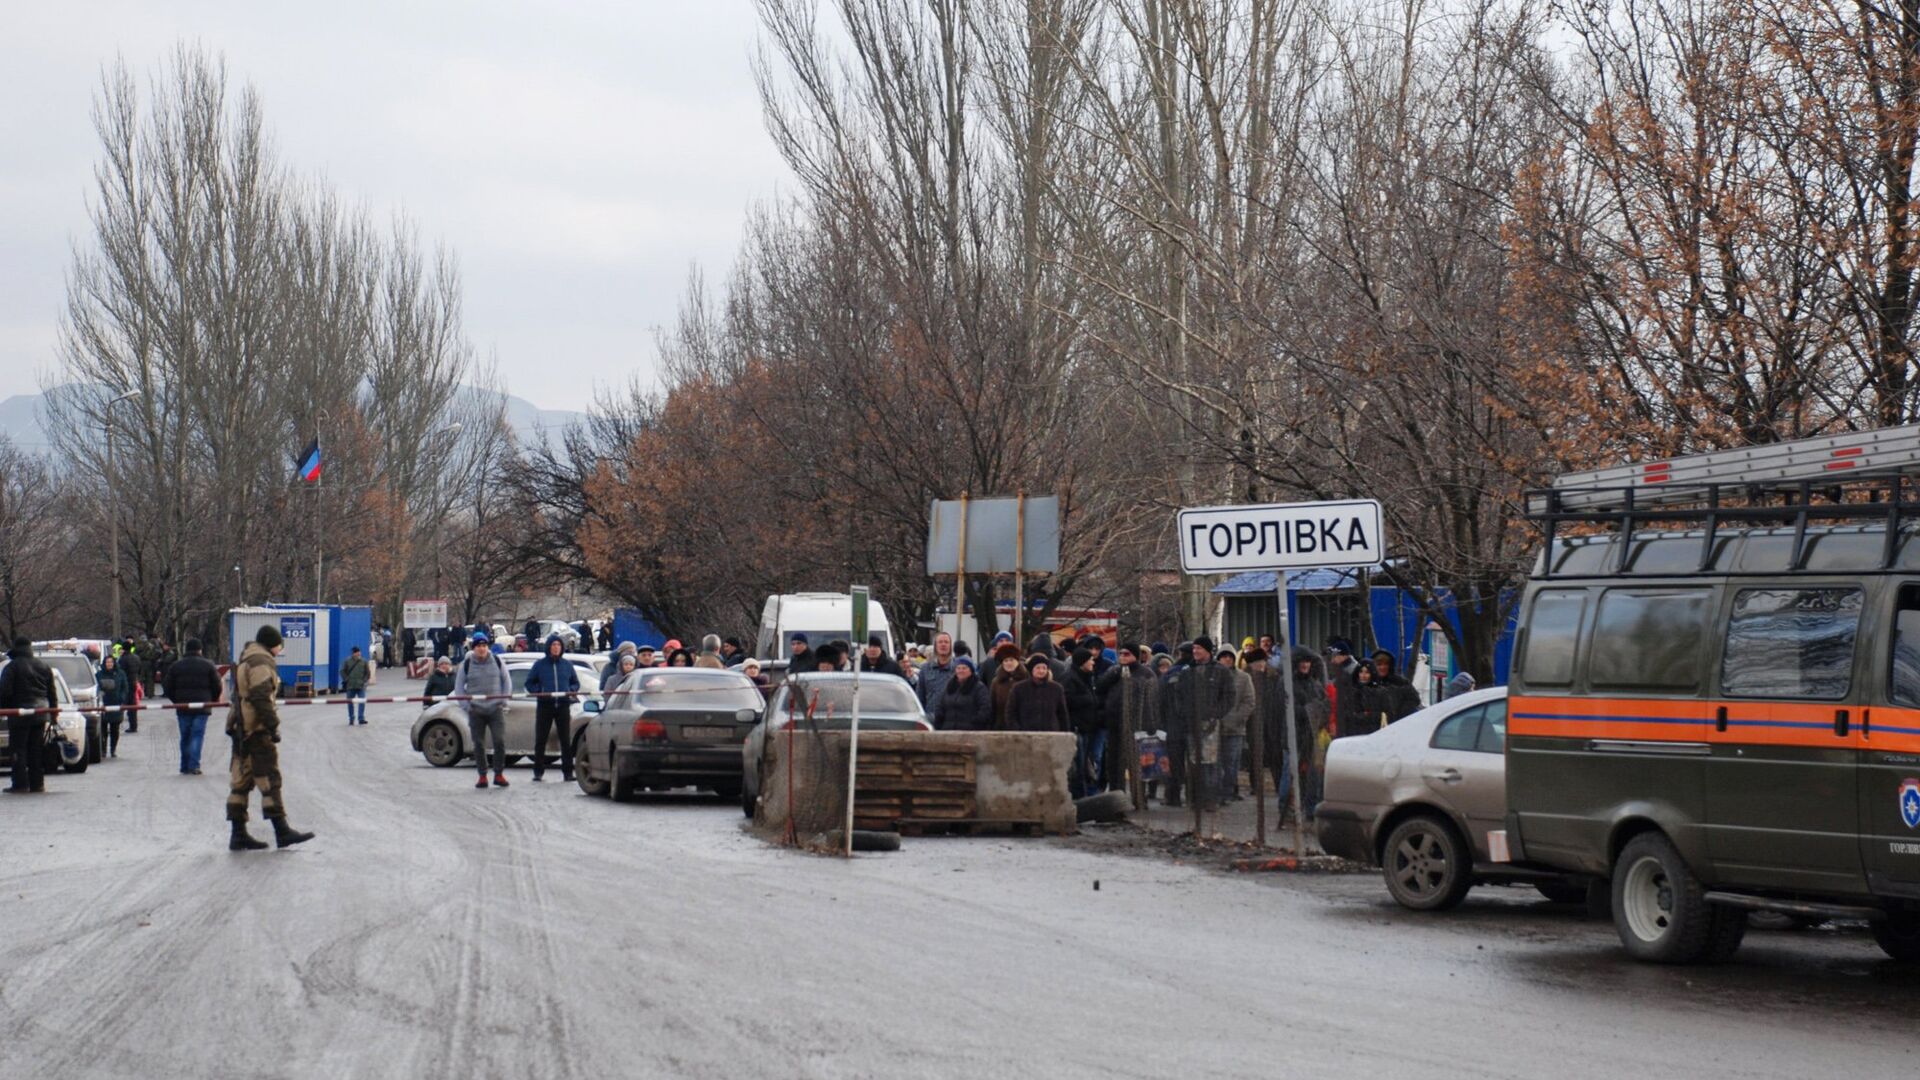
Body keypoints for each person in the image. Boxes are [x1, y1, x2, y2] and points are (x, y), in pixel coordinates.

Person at [225, 624, 315, 849]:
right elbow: (261, 696)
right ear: (272, 644)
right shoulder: (261, 663)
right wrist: (273, 725)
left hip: (240, 728)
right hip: (256, 729)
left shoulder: (246, 659)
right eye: (278, 646)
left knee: (241, 782)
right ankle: (282, 831)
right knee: (269, 780)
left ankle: (238, 834)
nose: (279, 650)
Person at [1167, 637, 1231, 817]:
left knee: (1210, 763)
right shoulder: (1187, 673)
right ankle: (1195, 798)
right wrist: (1184, 714)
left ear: (1208, 651)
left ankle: (1210, 798)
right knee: (1194, 762)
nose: (1195, 652)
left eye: (1199, 649)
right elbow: (1178, 696)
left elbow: (1228, 697)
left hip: (1211, 723)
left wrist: (1215, 714)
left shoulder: (1220, 672)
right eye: (1194, 649)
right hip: (1190, 723)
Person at [1095, 643, 1158, 799]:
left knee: (1136, 764)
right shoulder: (1115, 671)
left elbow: (1152, 701)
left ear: (1135, 656)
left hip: (1137, 725)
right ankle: (1117, 796)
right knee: (1115, 763)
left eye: (1127, 654)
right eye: (1121, 654)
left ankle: (1138, 797)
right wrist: (1113, 674)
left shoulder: (1146, 674)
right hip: (1115, 723)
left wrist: (1150, 724)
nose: (1123, 657)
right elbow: (1100, 688)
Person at [454, 632, 511, 789]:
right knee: (478, 744)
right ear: (474, 648)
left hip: (495, 709)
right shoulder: (466, 664)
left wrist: (503, 701)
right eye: (479, 646)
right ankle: (482, 776)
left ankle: (498, 774)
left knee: (499, 741)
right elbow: (459, 688)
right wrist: (466, 706)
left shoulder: (497, 661)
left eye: (484, 646)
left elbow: (506, 681)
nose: (482, 649)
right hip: (476, 711)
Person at [2, 637, 55, 793]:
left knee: (19, 750)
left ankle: (20, 783)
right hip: (40, 714)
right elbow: (51, 692)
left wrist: (5, 709)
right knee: (36, 750)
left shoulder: (12, 667)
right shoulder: (44, 666)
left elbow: (5, 691)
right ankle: (37, 783)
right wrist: (54, 713)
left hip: (18, 714)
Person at [524, 634, 579, 782]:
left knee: (565, 740)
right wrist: (539, 691)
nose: (556, 647)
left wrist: (570, 689)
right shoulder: (540, 665)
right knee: (541, 740)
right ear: (549, 647)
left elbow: (575, 682)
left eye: (558, 645)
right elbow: (529, 683)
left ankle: (568, 772)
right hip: (545, 706)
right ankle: (538, 771)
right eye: (553, 645)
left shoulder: (567, 665)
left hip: (563, 706)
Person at [162, 639, 221, 775]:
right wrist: (212, 700)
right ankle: (194, 765)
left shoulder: (176, 666)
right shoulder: (208, 665)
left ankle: (184, 766)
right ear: (200, 650)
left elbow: (167, 686)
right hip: (203, 706)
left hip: (183, 707)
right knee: (197, 735)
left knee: (185, 736)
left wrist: (176, 700)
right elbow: (217, 685)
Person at [1291, 647, 1333, 821]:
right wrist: (1310, 711)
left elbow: (1326, 704)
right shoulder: (1290, 684)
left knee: (1314, 774)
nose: (1305, 665)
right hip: (1297, 735)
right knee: (1294, 774)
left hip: (1315, 735)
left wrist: (1317, 713)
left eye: (1307, 662)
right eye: (1302, 662)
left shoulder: (1315, 683)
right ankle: (1291, 808)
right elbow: (1291, 710)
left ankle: (1311, 809)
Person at [1064, 648, 1104, 795]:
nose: (1093, 662)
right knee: (1078, 766)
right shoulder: (1071, 679)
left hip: (1087, 728)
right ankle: (1078, 796)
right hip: (1077, 728)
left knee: (1086, 764)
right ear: (1082, 662)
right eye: (1090, 659)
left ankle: (1084, 793)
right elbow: (1068, 701)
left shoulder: (1087, 677)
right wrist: (1087, 700)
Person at [1218, 647, 1255, 802]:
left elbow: (1249, 701)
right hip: (1215, 728)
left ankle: (1228, 792)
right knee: (1216, 763)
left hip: (1236, 729)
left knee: (1232, 763)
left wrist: (1237, 718)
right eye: (1223, 656)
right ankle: (1218, 792)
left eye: (1229, 656)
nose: (1227, 659)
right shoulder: (1213, 676)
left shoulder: (1243, 678)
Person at [1005, 654, 1070, 733]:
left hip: (1051, 735)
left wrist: (1064, 734)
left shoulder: (1056, 689)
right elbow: (1011, 713)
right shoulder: (1018, 688)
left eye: (1044, 668)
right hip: (1026, 735)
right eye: (1038, 668)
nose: (1041, 671)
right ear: (1032, 669)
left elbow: (1062, 714)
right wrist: (1017, 730)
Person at [933, 656, 993, 731]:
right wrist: (939, 721)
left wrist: (975, 723)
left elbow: (985, 709)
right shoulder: (949, 686)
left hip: (970, 732)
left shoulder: (979, 688)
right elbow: (940, 705)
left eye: (964, 668)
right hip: (948, 730)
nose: (961, 671)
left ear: (971, 670)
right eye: (958, 668)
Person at [1371, 650, 1422, 723]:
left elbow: (1414, 699)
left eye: (1386, 664)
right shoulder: (1369, 682)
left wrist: (1399, 714)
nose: (1383, 667)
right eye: (1379, 664)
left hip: (1397, 724)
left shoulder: (1400, 682)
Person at [96, 653, 130, 758]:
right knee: (103, 729)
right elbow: (96, 688)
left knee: (115, 729)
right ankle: (103, 750)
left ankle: (113, 749)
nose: (109, 664)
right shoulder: (99, 674)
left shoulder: (120, 674)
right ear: (104, 663)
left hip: (116, 705)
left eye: (111, 662)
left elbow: (125, 687)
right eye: (107, 662)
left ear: (114, 663)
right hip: (103, 705)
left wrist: (122, 698)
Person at [1340, 662, 1386, 737]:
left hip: (1376, 734)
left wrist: (1369, 715)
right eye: (1361, 672)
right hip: (1355, 735)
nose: (1363, 675)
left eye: (1367, 672)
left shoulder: (1380, 692)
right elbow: (1348, 715)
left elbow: (1386, 712)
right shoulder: (1351, 692)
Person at [989, 643, 1027, 729]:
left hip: (1023, 728)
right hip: (1001, 728)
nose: (1009, 663)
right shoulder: (996, 682)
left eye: (1011, 660)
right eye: (1006, 661)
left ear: (1017, 661)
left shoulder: (1026, 679)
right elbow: (992, 707)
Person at [916, 632, 956, 710]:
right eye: (940, 642)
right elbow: (920, 696)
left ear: (951, 646)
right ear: (935, 646)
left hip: (952, 718)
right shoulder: (925, 669)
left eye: (946, 642)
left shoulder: (958, 669)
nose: (943, 644)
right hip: (931, 717)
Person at [340, 645, 370, 726]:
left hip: (360, 686)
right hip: (350, 686)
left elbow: (368, 673)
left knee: (362, 702)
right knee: (350, 703)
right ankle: (351, 718)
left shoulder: (364, 661)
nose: (358, 654)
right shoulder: (347, 661)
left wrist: (364, 681)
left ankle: (361, 718)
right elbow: (342, 671)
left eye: (359, 652)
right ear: (353, 653)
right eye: (356, 653)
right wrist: (346, 679)